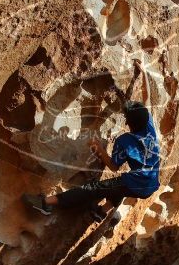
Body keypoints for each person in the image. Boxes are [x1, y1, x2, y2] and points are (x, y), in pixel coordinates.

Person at [23, 63, 160, 222]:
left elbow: (114, 167)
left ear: (128, 123)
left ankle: (45, 203)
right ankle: (101, 212)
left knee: (92, 190)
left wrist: (98, 148)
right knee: (120, 187)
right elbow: (142, 103)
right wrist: (137, 77)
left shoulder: (125, 141)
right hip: (151, 183)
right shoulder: (149, 128)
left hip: (136, 182)